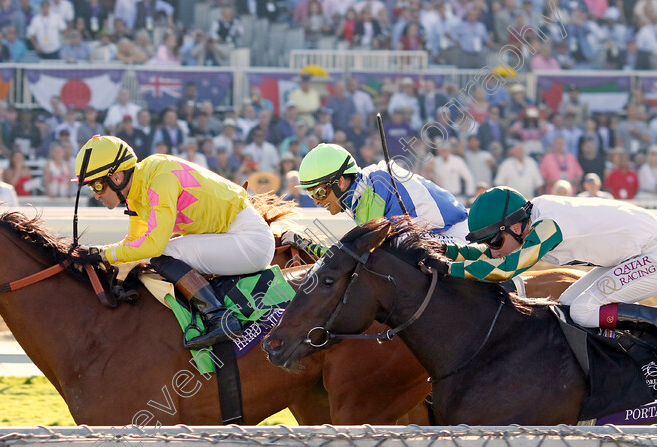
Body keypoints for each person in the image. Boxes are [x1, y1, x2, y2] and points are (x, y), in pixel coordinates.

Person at [73, 135, 275, 349]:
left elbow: (153, 245)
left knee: (160, 253)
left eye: (96, 186)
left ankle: (219, 318)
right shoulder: (138, 188)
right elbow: (134, 242)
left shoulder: (159, 178)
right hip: (230, 237)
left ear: (117, 177)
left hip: (249, 241)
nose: (95, 195)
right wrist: (98, 252)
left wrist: (105, 255)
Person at [430, 186, 657, 334]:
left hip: (650, 252)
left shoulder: (548, 225)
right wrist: (440, 249)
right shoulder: (529, 221)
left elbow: (505, 270)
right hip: (634, 254)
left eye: (494, 242)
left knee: (582, 311)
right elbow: (484, 255)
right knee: (567, 307)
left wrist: (447, 269)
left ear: (516, 226)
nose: (492, 250)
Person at [281, 143, 469, 258]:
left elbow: (359, 254)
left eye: (320, 193)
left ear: (340, 182)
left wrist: (308, 246)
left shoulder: (378, 186)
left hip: (458, 238)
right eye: (311, 194)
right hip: (433, 237)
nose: (316, 201)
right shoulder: (360, 195)